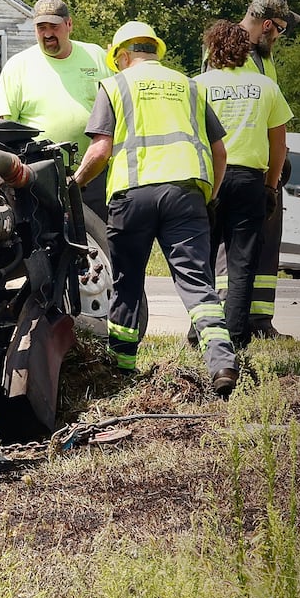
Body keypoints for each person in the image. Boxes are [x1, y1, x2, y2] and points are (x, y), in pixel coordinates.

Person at [72, 21, 239, 396]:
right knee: (196, 282)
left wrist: (74, 184)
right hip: (186, 194)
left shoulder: (115, 85)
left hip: (132, 197)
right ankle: (223, 363)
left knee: (127, 283)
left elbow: (100, 150)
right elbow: (219, 151)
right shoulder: (190, 85)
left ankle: (120, 370)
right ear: (154, 50)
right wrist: (208, 193)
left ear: (122, 55)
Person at [197, 21, 293, 350]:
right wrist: (270, 187)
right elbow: (278, 144)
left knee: (202, 260)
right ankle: (235, 339)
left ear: (213, 49)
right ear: (244, 51)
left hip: (209, 180)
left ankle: (200, 333)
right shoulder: (265, 86)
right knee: (241, 264)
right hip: (250, 179)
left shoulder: (197, 86)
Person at [224, 0, 300, 339]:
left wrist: (277, 163)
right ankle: (228, 319)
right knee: (233, 251)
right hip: (239, 166)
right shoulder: (228, 49)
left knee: (267, 245)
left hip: (265, 164)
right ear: (267, 25)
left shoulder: (263, 54)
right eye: (281, 29)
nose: (280, 38)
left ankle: (259, 320)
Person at [0, 0, 113, 214]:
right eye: (41, 27)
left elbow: (116, 108)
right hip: (38, 176)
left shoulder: (96, 56)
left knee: (100, 241)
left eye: (54, 26)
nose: (48, 34)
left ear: (69, 25)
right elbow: (4, 127)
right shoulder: (17, 67)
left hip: (94, 174)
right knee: (46, 241)